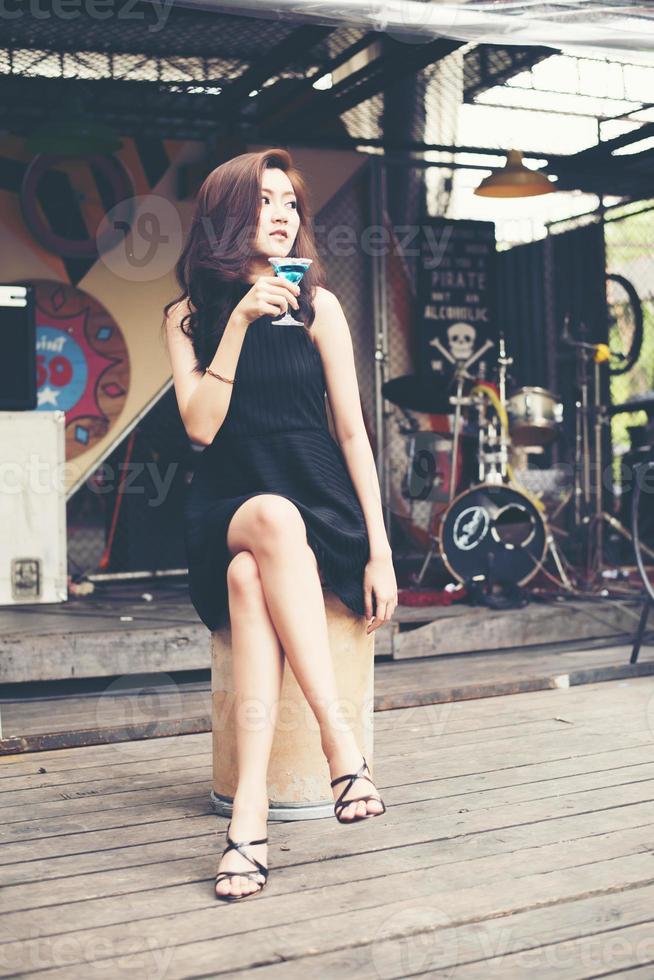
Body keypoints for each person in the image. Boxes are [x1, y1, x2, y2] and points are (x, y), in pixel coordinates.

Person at [162, 148, 397, 902]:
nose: (285, 213)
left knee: (248, 575)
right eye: (266, 199)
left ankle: (250, 817)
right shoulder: (189, 316)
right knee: (263, 521)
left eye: (292, 201)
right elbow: (201, 428)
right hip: (230, 502)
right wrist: (234, 324)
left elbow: (354, 433)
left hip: (318, 499)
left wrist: (383, 552)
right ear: (231, 214)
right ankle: (341, 741)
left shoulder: (320, 307)